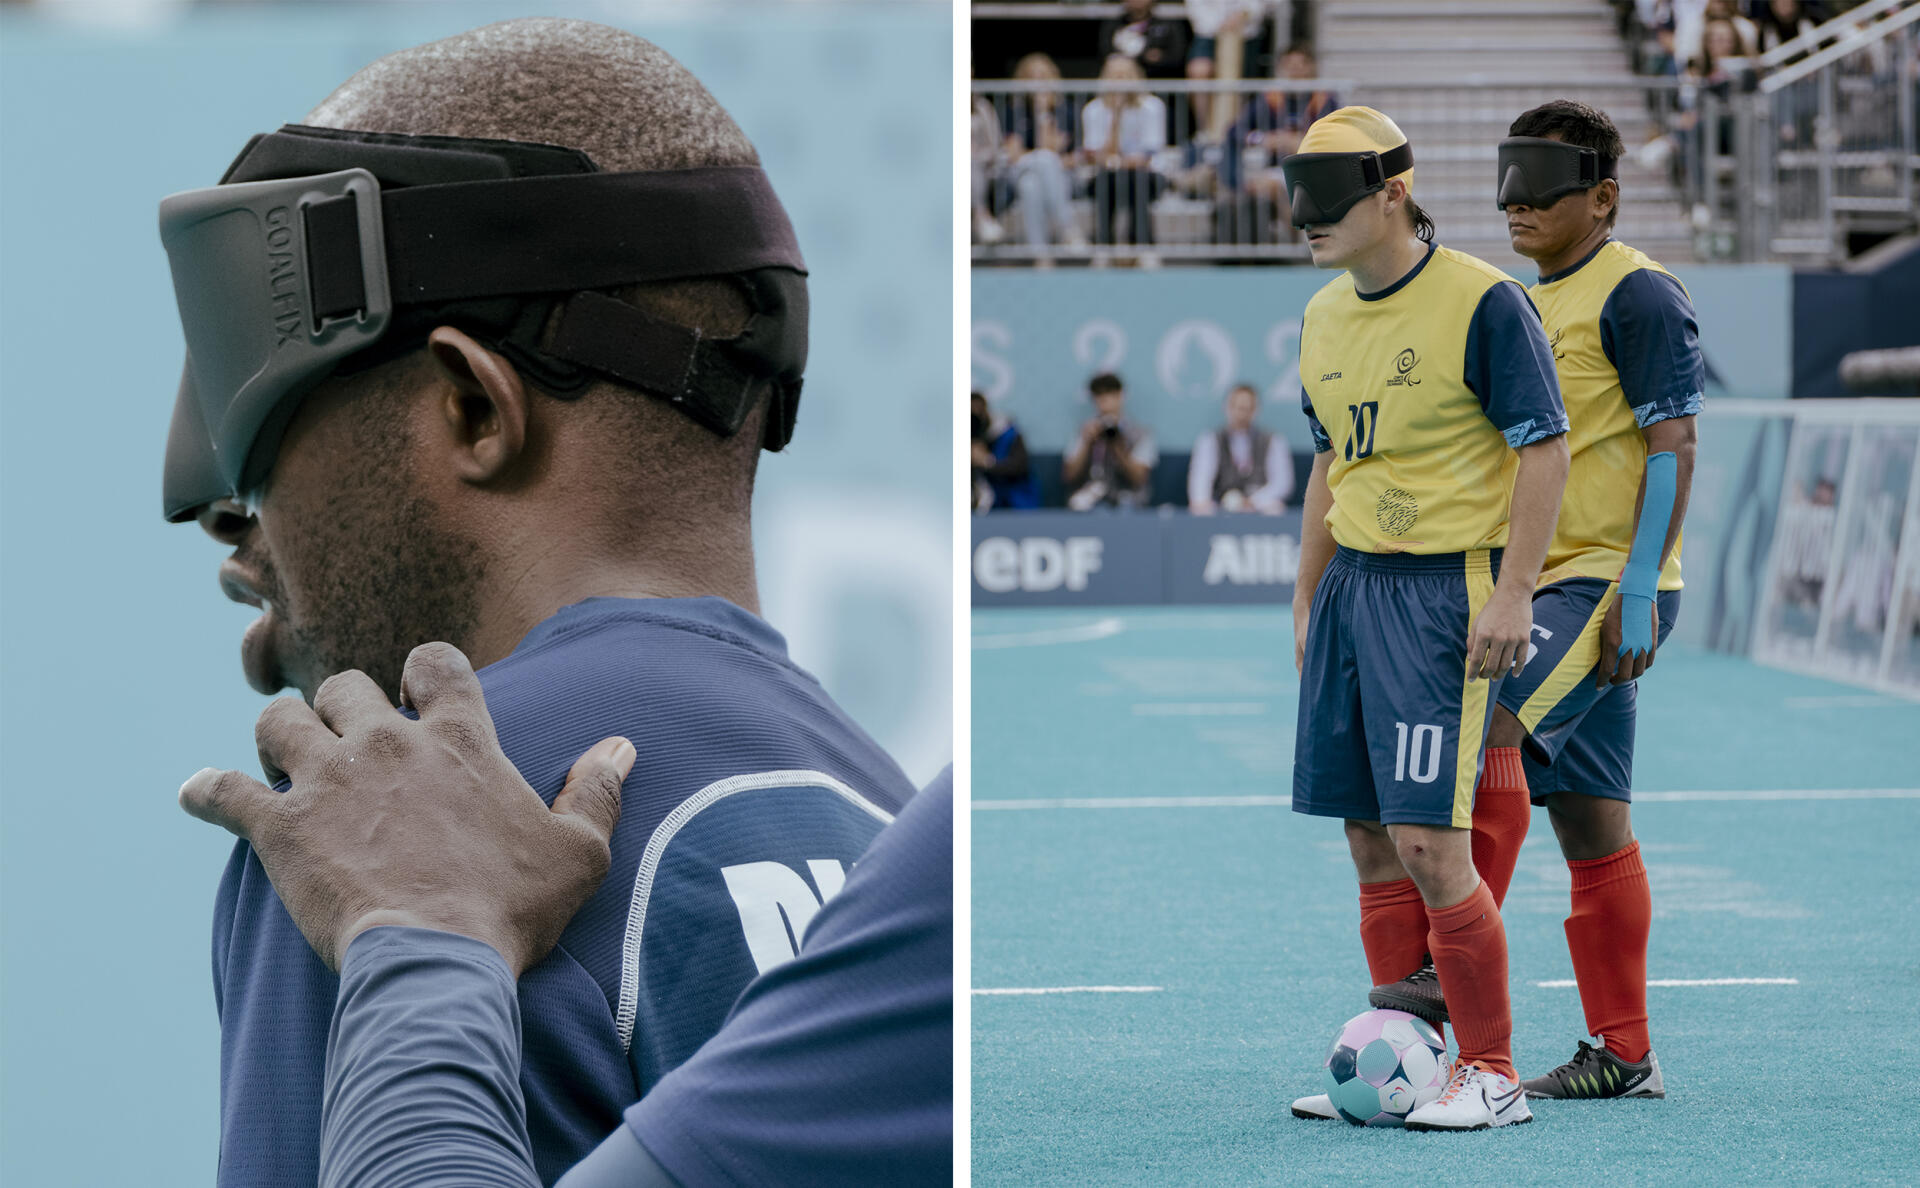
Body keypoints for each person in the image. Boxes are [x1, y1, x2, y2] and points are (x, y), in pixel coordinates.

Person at [156, 20, 920, 1186]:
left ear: (472, 407)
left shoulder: (379, 830)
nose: (238, 527)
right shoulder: (893, 826)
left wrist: (398, 948)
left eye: (265, 460)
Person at [178, 644, 951, 1187]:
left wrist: (419, 936)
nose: (216, 520)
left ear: (479, 413)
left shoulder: (365, 833)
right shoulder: (897, 805)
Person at [1373, 99, 1701, 1103]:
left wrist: (1641, 583)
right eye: (1510, 193)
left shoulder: (1638, 293)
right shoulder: (1524, 298)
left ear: (1601, 197)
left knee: (1492, 717)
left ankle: (1444, 964)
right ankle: (1625, 1053)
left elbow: (1674, 446)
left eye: (1545, 194)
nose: (1519, 209)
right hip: (1556, 581)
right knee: (1594, 822)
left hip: (1601, 583)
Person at [1278, 107, 1570, 1131]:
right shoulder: (1321, 316)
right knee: (1366, 837)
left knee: (1429, 844)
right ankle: (1409, 1060)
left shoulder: (1484, 303)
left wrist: (1515, 589)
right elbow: (1330, 462)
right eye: (1295, 195)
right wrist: (1309, 595)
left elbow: (1545, 447)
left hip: (1442, 589)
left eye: (1324, 199)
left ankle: (1491, 1072)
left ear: (1392, 191)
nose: (1303, 220)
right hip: (1354, 587)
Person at [998, 53, 1085, 254]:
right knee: (1044, 160)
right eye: (1032, 77)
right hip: (1020, 169)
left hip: (1059, 176)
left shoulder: (1066, 110)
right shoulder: (1013, 110)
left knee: (1031, 186)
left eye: (1042, 77)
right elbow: (1015, 155)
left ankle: (1040, 255)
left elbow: (1064, 153)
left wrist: (1043, 114)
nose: (1037, 83)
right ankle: (1067, 228)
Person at [1079, 54, 1168, 249]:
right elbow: (1096, 157)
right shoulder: (1093, 109)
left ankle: (1142, 246)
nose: (1119, 83)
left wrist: (1116, 162)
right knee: (1105, 181)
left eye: (1124, 76)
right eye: (1114, 76)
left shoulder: (1152, 107)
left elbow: (1146, 157)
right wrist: (1116, 118)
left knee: (1137, 181)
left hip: (1147, 176)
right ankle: (1103, 246)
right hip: (1107, 175)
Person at [1187, 383, 1294, 515]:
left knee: (1276, 508)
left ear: (1255, 410)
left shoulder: (1273, 441)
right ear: (1227, 407)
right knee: (1201, 508)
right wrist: (1202, 502)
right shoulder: (1210, 440)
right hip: (1221, 506)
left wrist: (1252, 501)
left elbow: (1282, 483)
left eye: (1247, 408)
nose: (1242, 414)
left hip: (1258, 506)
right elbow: (1200, 480)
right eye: (1237, 407)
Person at [1064, 372, 1159, 510]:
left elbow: (1139, 478)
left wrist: (1118, 445)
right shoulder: (1085, 431)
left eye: (1109, 394)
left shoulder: (1140, 434)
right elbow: (1069, 476)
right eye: (1099, 395)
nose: (1104, 401)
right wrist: (1087, 443)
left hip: (1128, 499)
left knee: (1126, 508)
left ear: (1120, 395)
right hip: (1092, 497)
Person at [973, 391, 1040, 511]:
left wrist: (987, 461)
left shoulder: (1008, 433)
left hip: (1014, 504)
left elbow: (1019, 467)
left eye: (978, 412)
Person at [1096, 0, 1188, 79]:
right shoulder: (1113, 26)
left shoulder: (1168, 25)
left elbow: (1177, 55)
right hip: (1120, 84)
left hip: (1158, 80)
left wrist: (1161, 58)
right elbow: (1106, 53)